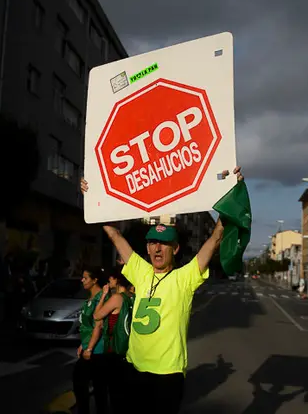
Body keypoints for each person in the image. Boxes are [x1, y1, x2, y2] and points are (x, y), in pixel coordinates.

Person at [80, 166, 244, 413]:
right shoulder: (139, 270)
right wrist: (93, 198)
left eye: (164, 244)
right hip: (133, 369)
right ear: (147, 248)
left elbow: (215, 238)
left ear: (175, 249)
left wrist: (232, 193)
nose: (157, 249)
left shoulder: (185, 277)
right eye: (153, 243)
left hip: (167, 375)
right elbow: (113, 234)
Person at [93, 268, 134, 412]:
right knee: (125, 393)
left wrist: (103, 295)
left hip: (114, 349)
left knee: (114, 392)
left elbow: (97, 315)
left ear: (117, 280)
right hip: (129, 349)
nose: (108, 281)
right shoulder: (132, 296)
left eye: (111, 278)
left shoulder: (117, 298)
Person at [73, 267, 109, 414]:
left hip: (97, 350)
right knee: (95, 386)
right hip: (90, 347)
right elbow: (87, 325)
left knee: (83, 383)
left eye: (85, 278)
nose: (82, 280)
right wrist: (83, 344)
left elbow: (98, 325)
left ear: (95, 280)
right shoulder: (91, 298)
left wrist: (89, 348)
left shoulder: (102, 297)